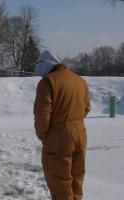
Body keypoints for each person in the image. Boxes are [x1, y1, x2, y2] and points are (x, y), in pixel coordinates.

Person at [33, 50, 90, 200]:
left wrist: (46, 137)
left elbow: (41, 116)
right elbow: (86, 108)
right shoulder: (80, 80)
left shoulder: (48, 82)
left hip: (58, 138)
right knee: (76, 181)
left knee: (60, 183)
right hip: (80, 133)